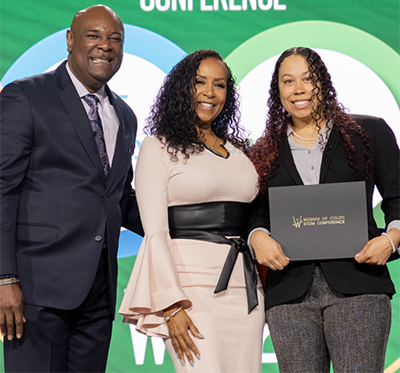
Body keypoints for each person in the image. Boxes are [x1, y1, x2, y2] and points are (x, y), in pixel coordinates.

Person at [0, 5, 143, 373]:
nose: (105, 47)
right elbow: (3, 190)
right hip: (36, 288)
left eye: (115, 39)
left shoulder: (125, 116)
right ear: (69, 40)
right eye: (94, 35)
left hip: (98, 293)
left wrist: (189, 225)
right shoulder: (26, 97)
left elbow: (119, 197)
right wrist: (4, 278)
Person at [248, 46, 400, 372]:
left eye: (308, 78)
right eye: (288, 81)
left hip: (358, 285)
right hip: (290, 293)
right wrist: (257, 235)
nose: (298, 89)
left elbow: (398, 196)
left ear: (324, 82)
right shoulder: (264, 150)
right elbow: (257, 212)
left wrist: (392, 239)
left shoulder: (368, 133)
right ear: (277, 91)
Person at [119, 50, 265, 372]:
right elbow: (156, 232)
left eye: (220, 84)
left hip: (246, 292)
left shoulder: (242, 152)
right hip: (191, 293)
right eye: (199, 82)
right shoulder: (158, 148)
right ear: (181, 87)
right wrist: (172, 306)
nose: (210, 93)